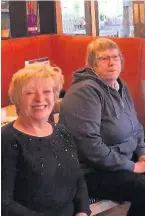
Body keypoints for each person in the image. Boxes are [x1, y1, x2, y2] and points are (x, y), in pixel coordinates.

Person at [59, 38, 145, 216]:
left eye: (116, 57)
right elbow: (90, 147)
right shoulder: (84, 92)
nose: (112, 62)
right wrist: (132, 167)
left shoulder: (120, 85)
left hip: (123, 155)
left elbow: (136, 128)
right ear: (92, 64)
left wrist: (144, 153)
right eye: (104, 58)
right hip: (92, 170)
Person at [2, 63, 90, 216]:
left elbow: (78, 179)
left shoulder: (62, 132)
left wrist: (83, 211)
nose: (40, 99)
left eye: (47, 91)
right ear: (17, 99)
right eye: (29, 92)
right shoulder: (7, 140)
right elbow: (4, 204)